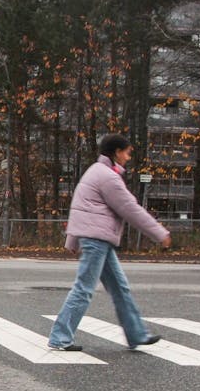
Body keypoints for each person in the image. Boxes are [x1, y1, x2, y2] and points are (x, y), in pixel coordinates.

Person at [47, 134, 172, 351]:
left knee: (119, 288)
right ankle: (60, 337)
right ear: (116, 152)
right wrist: (160, 233)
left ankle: (136, 334)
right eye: (127, 153)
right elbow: (130, 209)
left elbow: (80, 206)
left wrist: (72, 240)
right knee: (84, 288)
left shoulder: (95, 172)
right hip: (97, 240)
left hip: (98, 239)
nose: (128, 157)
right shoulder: (108, 177)